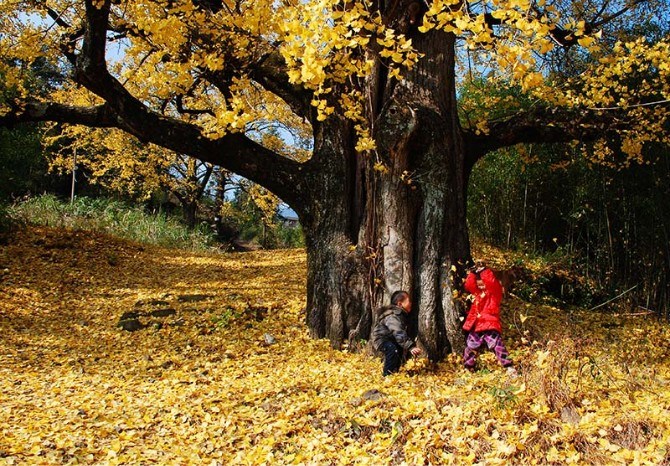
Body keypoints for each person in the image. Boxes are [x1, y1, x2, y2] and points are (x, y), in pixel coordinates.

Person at [462, 262, 516, 376]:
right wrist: (472, 273)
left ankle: (509, 366)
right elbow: (469, 285)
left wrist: (484, 271)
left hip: (489, 324)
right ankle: (468, 367)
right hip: (476, 325)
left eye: (483, 285)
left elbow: (491, 282)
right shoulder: (478, 293)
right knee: (471, 346)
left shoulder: (494, 293)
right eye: (479, 285)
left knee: (497, 345)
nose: (481, 287)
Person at [371, 290, 423, 376]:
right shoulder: (393, 316)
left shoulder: (402, 315)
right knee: (392, 350)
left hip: (391, 339)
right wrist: (410, 347)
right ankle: (387, 375)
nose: (411, 303)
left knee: (398, 350)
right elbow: (398, 332)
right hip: (381, 340)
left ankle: (395, 372)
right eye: (409, 301)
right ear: (399, 304)